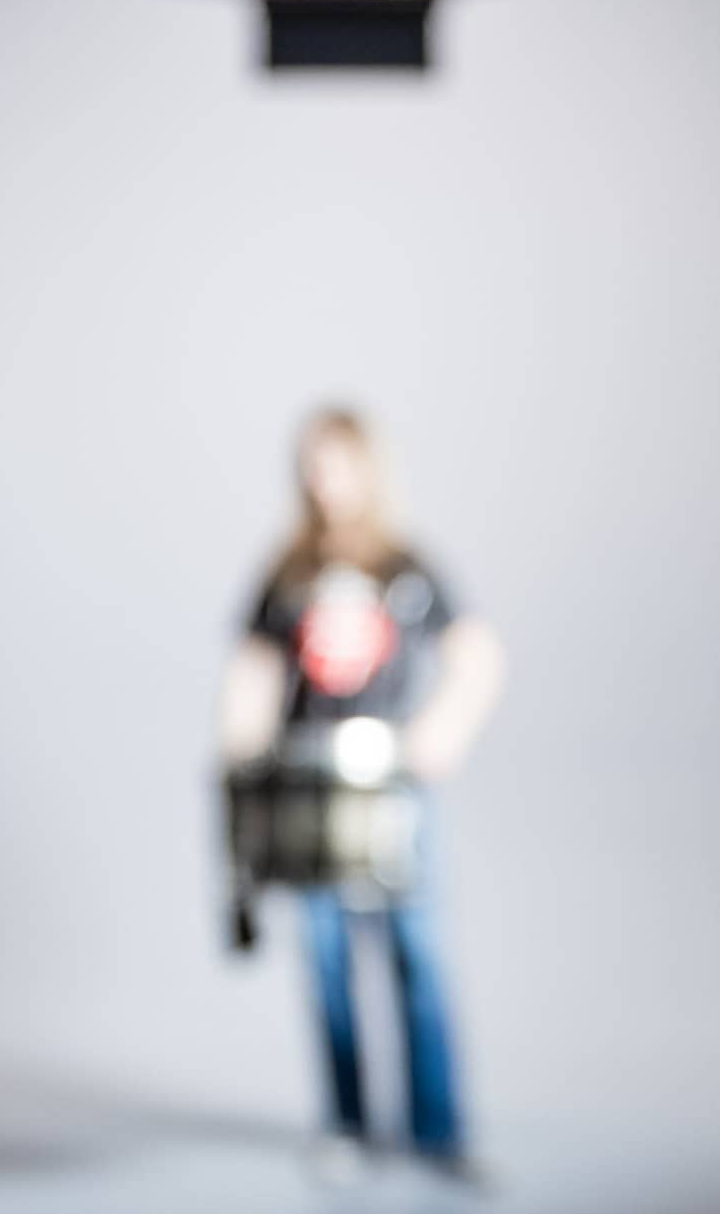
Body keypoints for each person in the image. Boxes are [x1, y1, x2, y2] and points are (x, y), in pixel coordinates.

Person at [217, 410, 506, 1173]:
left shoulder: (403, 566)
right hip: (308, 784)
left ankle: (439, 1133)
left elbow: (477, 658)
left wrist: (443, 733)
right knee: (326, 962)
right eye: (313, 465)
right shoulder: (286, 571)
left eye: (338, 463)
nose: (324, 480)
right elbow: (252, 671)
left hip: (393, 785)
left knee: (416, 953)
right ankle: (347, 1126)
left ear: (368, 468)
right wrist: (239, 758)